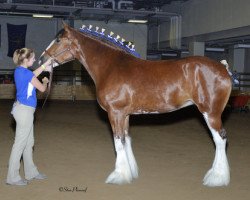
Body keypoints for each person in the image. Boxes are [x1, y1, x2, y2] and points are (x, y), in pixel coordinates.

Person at [6, 48, 53, 186]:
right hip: (25, 112)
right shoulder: (26, 73)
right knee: (19, 145)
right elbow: (42, 89)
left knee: (28, 143)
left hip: (22, 110)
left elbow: (32, 74)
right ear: (25, 60)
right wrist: (45, 81)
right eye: (32, 58)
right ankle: (12, 177)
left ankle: (31, 172)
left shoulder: (19, 71)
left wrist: (45, 66)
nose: (34, 60)